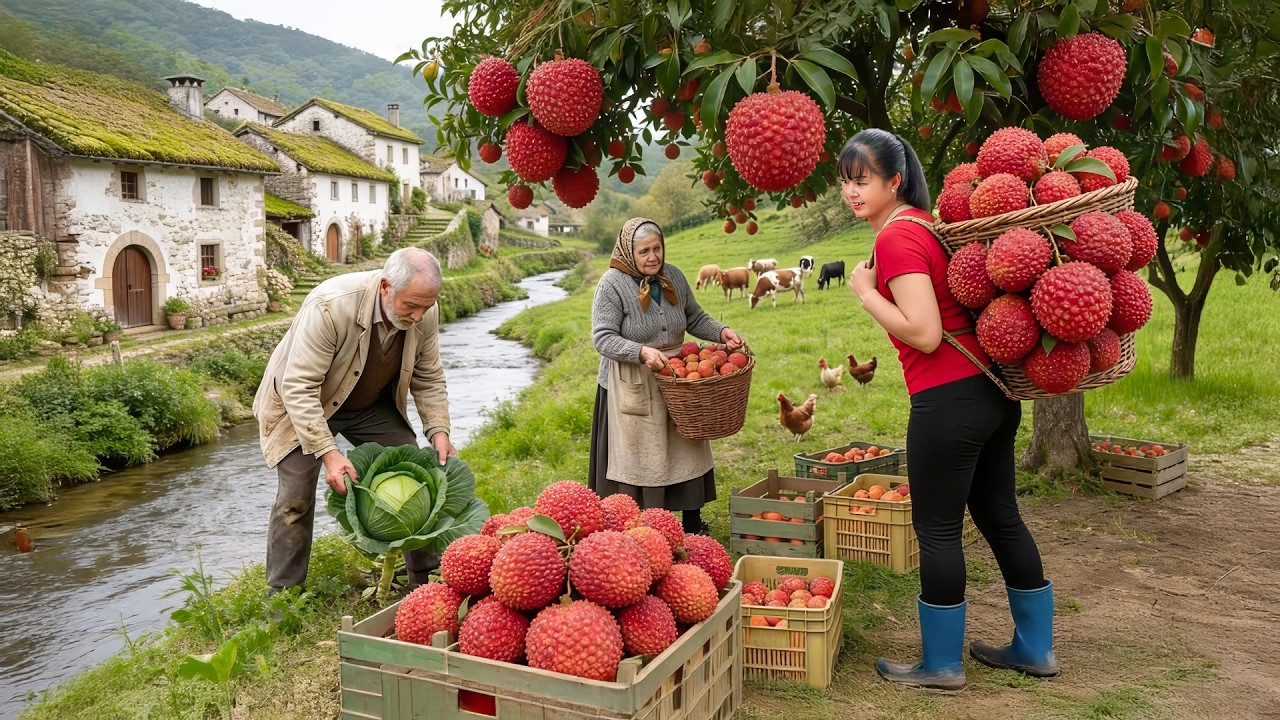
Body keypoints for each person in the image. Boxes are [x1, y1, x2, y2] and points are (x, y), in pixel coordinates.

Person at [842, 129, 1058, 690]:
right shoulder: (928, 227)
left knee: (936, 529)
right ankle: (1035, 649)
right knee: (1000, 516)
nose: (852, 190)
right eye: (845, 179)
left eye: (863, 179)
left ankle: (941, 664)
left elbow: (926, 333)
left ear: (895, 180)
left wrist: (865, 294)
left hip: (948, 402)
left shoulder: (895, 239)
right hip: (991, 396)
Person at [254, 247, 457, 593]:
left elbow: (429, 376)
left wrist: (439, 431)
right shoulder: (330, 306)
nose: (419, 314)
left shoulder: (425, 312)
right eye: (411, 305)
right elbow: (299, 387)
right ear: (385, 287)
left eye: (426, 306)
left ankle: (424, 580)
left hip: (368, 405)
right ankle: (283, 598)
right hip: (303, 404)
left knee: (417, 471)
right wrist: (329, 454)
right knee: (295, 499)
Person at [589, 217, 745, 534]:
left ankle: (691, 522)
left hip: (679, 378)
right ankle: (639, 527)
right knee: (641, 453)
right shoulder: (612, 284)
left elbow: (694, 316)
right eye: (644, 251)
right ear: (628, 252)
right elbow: (602, 337)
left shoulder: (672, 275)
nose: (652, 257)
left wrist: (722, 332)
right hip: (631, 380)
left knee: (685, 445)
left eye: (657, 248)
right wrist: (641, 352)